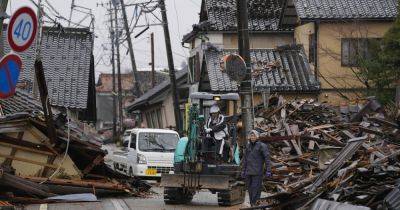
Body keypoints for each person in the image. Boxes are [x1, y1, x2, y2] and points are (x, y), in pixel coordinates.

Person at [241, 130, 271, 207]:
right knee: (250, 189)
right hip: (248, 172)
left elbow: (267, 159)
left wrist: (268, 170)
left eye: (254, 136)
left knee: (256, 189)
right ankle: (252, 204)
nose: (252, 137)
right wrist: (243, 170)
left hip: (257, 172)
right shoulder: (248, 146)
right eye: (251, 136)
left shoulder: (262, 146)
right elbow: (245, 159)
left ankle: (255, 204)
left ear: (257, 137)